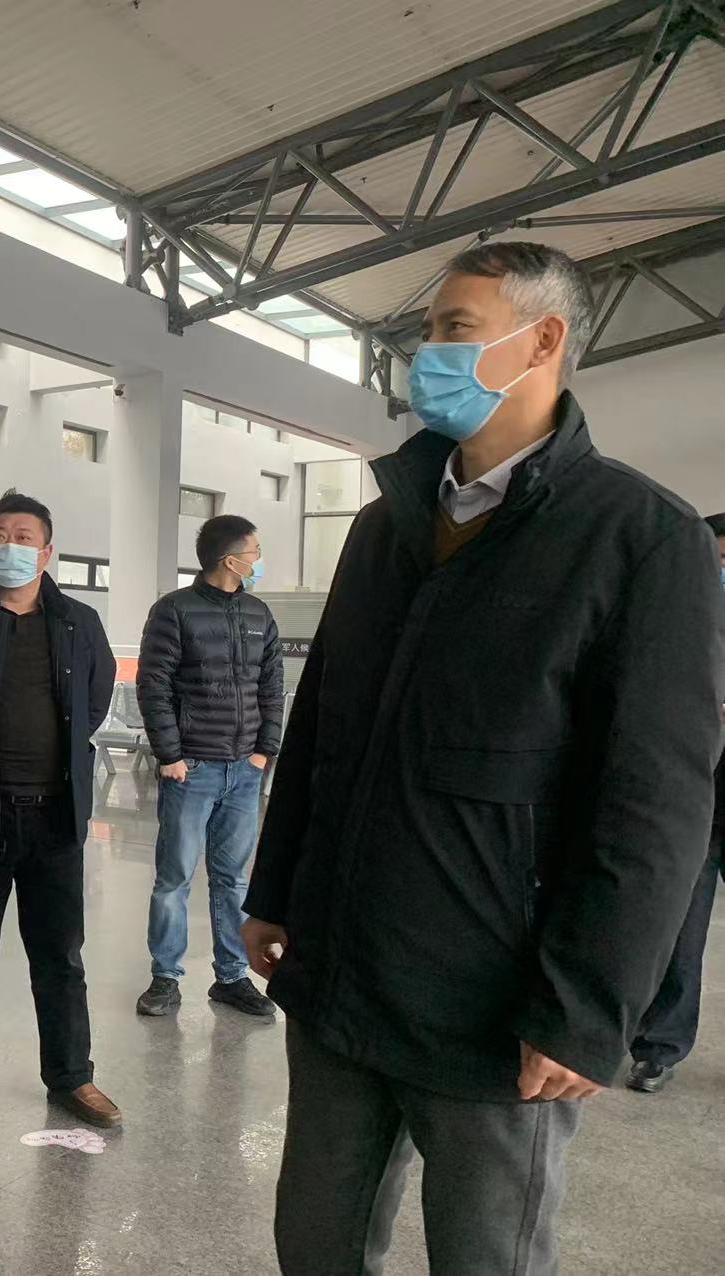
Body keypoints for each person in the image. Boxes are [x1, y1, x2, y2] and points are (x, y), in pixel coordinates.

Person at [242, 242, 724, 1275]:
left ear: (542, 341)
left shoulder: (640, 538)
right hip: (340, 974)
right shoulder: (384, 528)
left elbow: (655, 802)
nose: (426, 355)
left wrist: (586, 1008)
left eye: (454, 330)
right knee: (315, 1244)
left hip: (494, 1007)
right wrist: (274, 889)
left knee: (485, 1257)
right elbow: (320, 724)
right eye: (426, 333)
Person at [0, 490, 119, 1128]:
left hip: (55, 815)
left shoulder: (78, 621)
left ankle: (71, 1076)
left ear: (47, 551)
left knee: (60, 956)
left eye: (23, 537)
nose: (10, 546)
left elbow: (95, 700)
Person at [134, 514, 283, 1020]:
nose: (258, 560)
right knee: (173, 877)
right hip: (191, 768)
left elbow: (271, 687)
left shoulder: (259, 613)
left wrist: (264, 751)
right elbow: (154, 685)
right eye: (254, 552)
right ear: (230, 560)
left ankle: (232, 977)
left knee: (233, 879)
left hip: (244, 769)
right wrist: (170, 756)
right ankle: (165, 977)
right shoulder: (174, 610)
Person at [626, 511, 725, 1094]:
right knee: (681, 926)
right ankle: (659, 1047)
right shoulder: (679, 614)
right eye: (719, 560)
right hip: (696, 795)